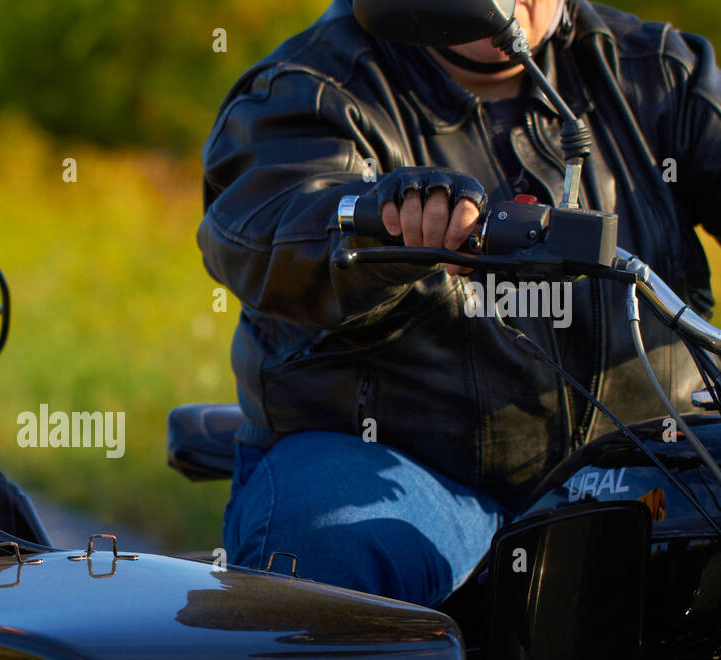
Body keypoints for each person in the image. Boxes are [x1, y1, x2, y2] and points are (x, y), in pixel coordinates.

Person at [198, 0, 721, 606]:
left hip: (647, 465)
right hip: (410, 473)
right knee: (332, 546)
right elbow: (266, 228)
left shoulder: (653, 70)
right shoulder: (312, 88)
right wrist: (380, 226)